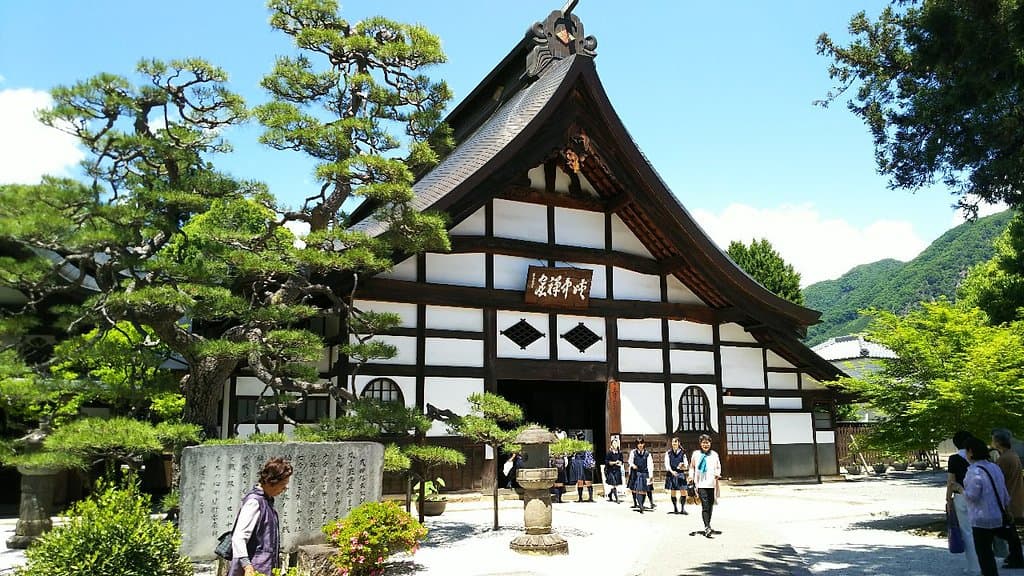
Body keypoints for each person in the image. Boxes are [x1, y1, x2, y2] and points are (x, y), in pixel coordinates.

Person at [228, 457, 293, 576]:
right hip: (254, 568)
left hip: (263, 567)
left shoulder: (265, 500)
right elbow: (239, 537)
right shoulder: (254, 502)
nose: (285, 489)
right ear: (271, 481)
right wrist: (247, 566)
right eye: (283, 484)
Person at [959, 436, 1013, 576]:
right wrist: (1007, 510)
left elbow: (972, 496)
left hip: (981, 519)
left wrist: (959, 489)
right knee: (993, 551)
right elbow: (1004, 492)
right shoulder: (994, 467)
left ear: (971, 452)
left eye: (966, 451)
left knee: (985, 555)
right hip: (998, 516)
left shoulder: (973, 471)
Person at [948, 431, 982, 575]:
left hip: (961, 495)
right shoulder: (978, 457)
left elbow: (951, 481)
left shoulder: (954, 459)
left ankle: (974, 567)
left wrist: (948, 498)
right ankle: (985, 562)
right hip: (980, 495)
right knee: (981, 530)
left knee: (967, 531)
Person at [993, 429, 1024, 569]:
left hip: (1008, 498)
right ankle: (1014, 556)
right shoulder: (1012, 455)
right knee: (1010, 531)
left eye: (993, 439)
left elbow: (998, 480)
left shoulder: (1004, 459)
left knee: (1007, 531)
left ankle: (1016, 558)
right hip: (1015, 495)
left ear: (998, 442)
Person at [689, 434, 722, 538]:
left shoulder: (714, 455)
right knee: (705, 505)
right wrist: (690, 477)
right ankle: (706, 526)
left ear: (710, 443)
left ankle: (708, 524)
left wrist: (717, 473)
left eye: (707, 442)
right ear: (700, 444)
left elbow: (718, 467)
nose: (705, 444)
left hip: (712, 484)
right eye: (703, 442)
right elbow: (692, 467)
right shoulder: (696, 454)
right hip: (701, 484)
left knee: (710, 505)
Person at [627, 437, 654, 514]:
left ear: (643, 444)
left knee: (643, 490)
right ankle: (641, 506)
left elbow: (650, 465)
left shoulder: (647, 454)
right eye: (638, 444)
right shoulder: (633, 452)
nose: (640, 445)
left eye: (641, 443)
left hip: (645, 473)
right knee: (638, 489)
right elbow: (630, 461)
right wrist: (633, 465)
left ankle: (642, 503)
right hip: (636, 473)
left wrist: (651, 475)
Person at [664, 437, 689, 515]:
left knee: (683, 492)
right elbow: (667, 464)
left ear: (679, 443)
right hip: (671, 473)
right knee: (673, 491)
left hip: (680, 473)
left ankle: (682, 508)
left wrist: (683, 466)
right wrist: (672, 471)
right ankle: (675, 507)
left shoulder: (683, 453)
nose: (674, 444)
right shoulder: (668, 453)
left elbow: (686, 464)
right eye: (673, 442)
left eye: (675, 442)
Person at [568, 431, 595, 502]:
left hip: (579, 463)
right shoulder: (587, 444)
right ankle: (591, 497)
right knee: (588, 481)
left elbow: (571, 453)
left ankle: (580, 498)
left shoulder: (576, 446)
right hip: (586, 463)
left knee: (580, 481)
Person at [605, 436, 624, 503]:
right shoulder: (609, 453)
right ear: (611, 445)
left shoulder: (620, 453)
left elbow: (622, 461)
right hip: (610, 470)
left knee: (616, 484)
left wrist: (620, 463)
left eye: (616, 443)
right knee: (614, 484)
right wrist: (614, 462)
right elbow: (607, 462)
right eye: (614, 443)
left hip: (617, 470)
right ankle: (617, 499)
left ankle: (610, 494)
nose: (615, 445)